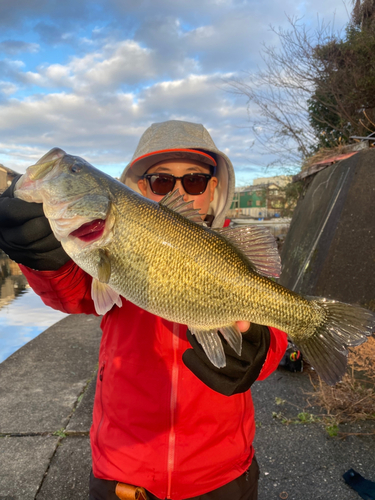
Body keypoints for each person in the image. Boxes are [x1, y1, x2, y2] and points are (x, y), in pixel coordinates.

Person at [0, 120, 288, 500]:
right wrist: (40, 258)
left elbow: (272, 331)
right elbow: (71, 294)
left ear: (213, 188)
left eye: (196, 181)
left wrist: (262, 348)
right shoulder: (102, 238)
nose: (181, 191)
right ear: (138, 186)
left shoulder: (234, 255)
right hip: (122, 473)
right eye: (163, 182)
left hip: (222, 474)